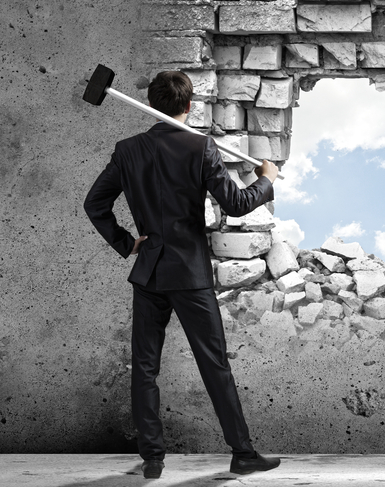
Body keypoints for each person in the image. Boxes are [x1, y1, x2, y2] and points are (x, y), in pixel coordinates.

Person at [83, 70, 281, 479]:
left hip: (150, 272)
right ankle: (242, 454)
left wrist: (126, 242)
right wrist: (265, 180)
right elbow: (238, 203)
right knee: (215, 365)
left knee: (145, 367)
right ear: (188, 106)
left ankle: (152, 459)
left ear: (154, 104)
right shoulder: (200, 147)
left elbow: (94, 204)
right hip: (190, 275)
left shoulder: (128, 150)